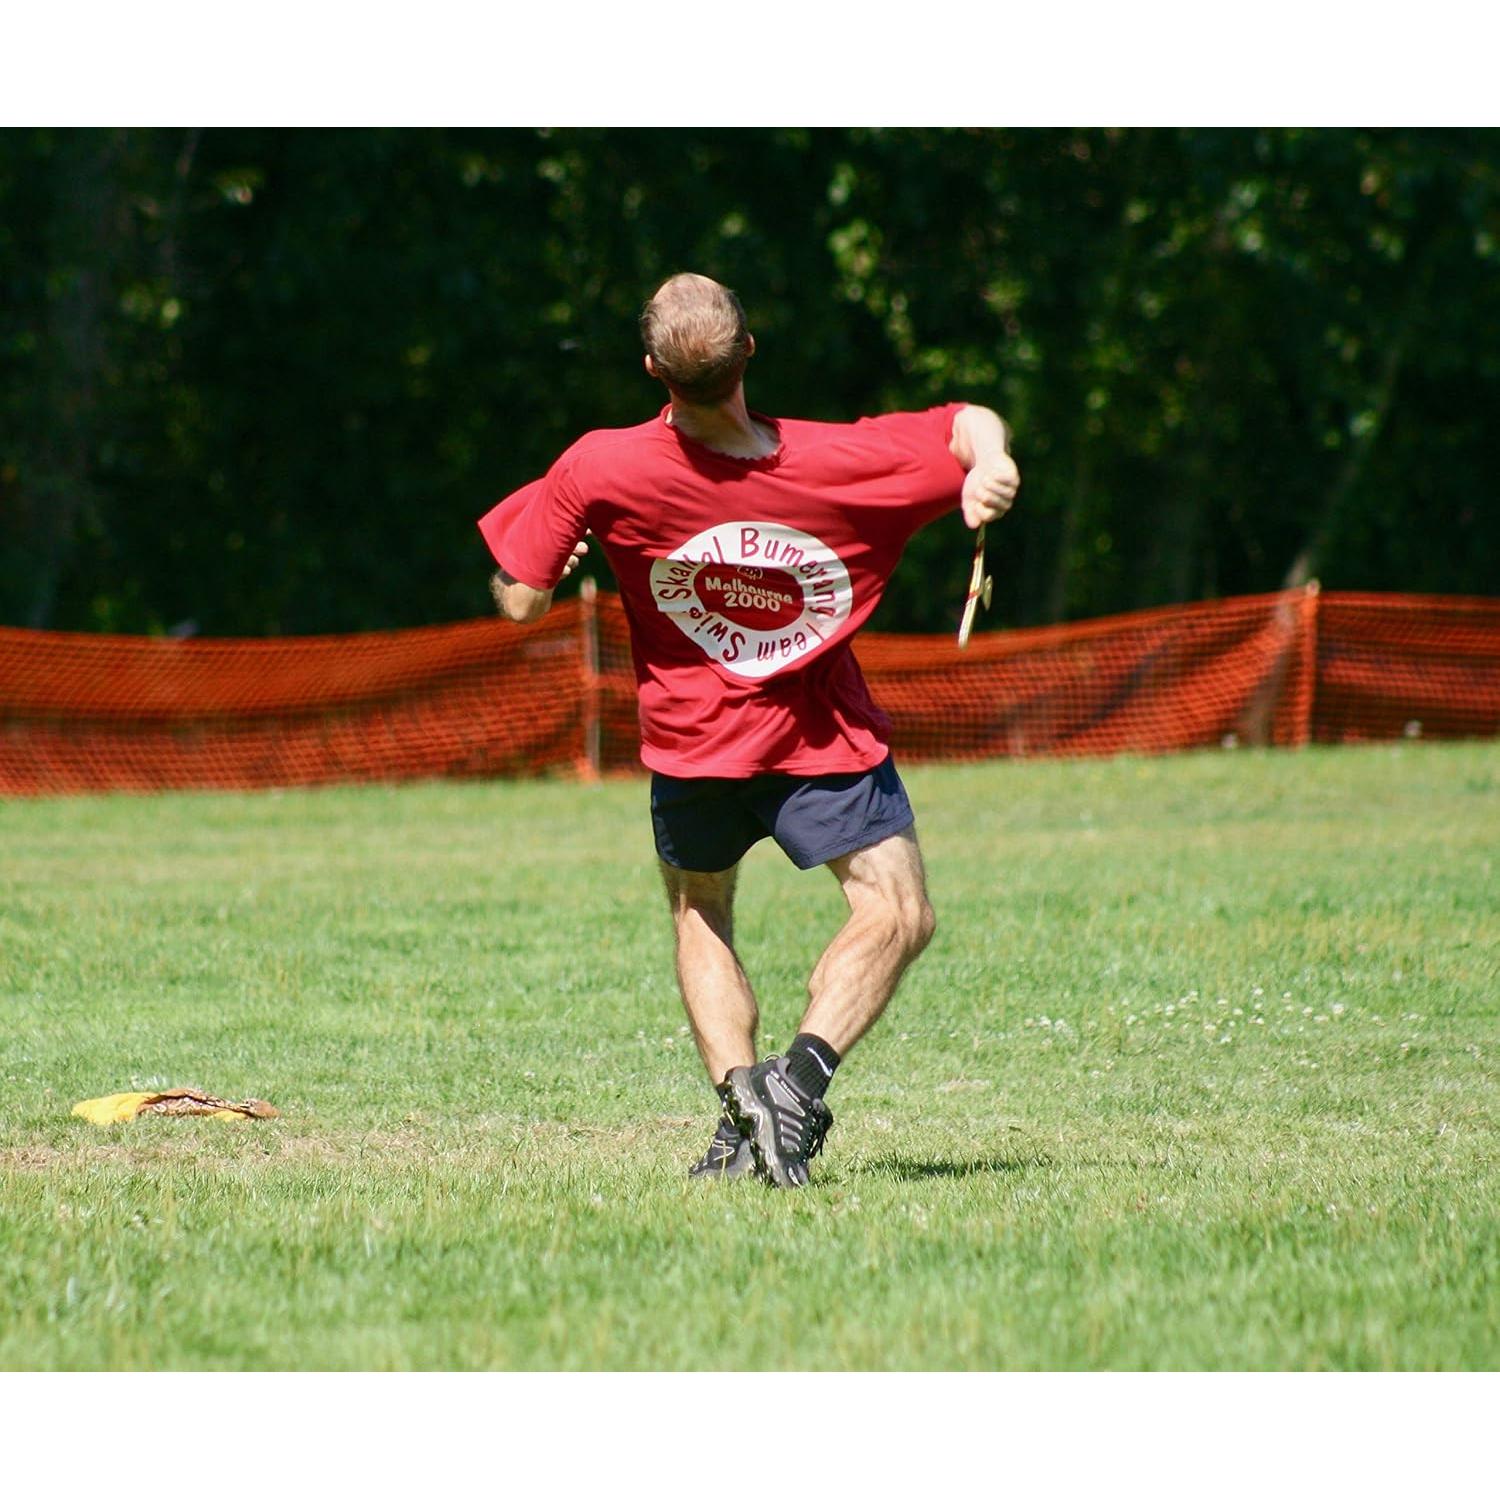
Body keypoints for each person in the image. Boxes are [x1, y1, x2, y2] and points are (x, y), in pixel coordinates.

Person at [480, 272, 1018, 1188]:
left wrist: (561, 555)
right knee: (899, 910)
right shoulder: (839, 460)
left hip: (692, 745)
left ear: (652, 369)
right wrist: (995, 465)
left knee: (702, 911)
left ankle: (745, 1108)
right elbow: (967, 425)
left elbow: (521, 599)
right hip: (823, 737)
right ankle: (795, 1091)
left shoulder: (599, 467)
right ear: (750, 355)